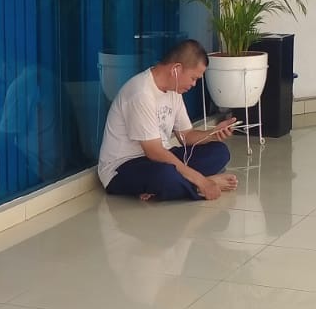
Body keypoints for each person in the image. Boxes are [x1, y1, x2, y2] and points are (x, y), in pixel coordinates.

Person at [98, 40, 239, 202]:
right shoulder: (140, 93)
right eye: (193, 78)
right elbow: (154, 152)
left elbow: (186, 136)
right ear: (176, 69)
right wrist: (202, 180)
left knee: (219, 152)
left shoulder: (174, 91)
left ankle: (173, 187)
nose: (194, 84)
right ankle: (198, 186)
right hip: (123, 167)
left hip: (161, 157)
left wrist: (213, 134)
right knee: (164, 175)